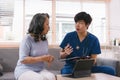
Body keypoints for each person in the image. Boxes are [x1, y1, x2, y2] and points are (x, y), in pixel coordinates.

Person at [14, 13, 56, 80]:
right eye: (47, 24)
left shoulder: (44, 40)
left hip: (39, 70)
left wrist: (49, 58)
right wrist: (42, 58)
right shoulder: (27, 39)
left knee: (52, 77)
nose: (49, 27)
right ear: (39, 25)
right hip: (24, 70)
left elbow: (44, 55)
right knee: (40, 79)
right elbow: (23, 60)